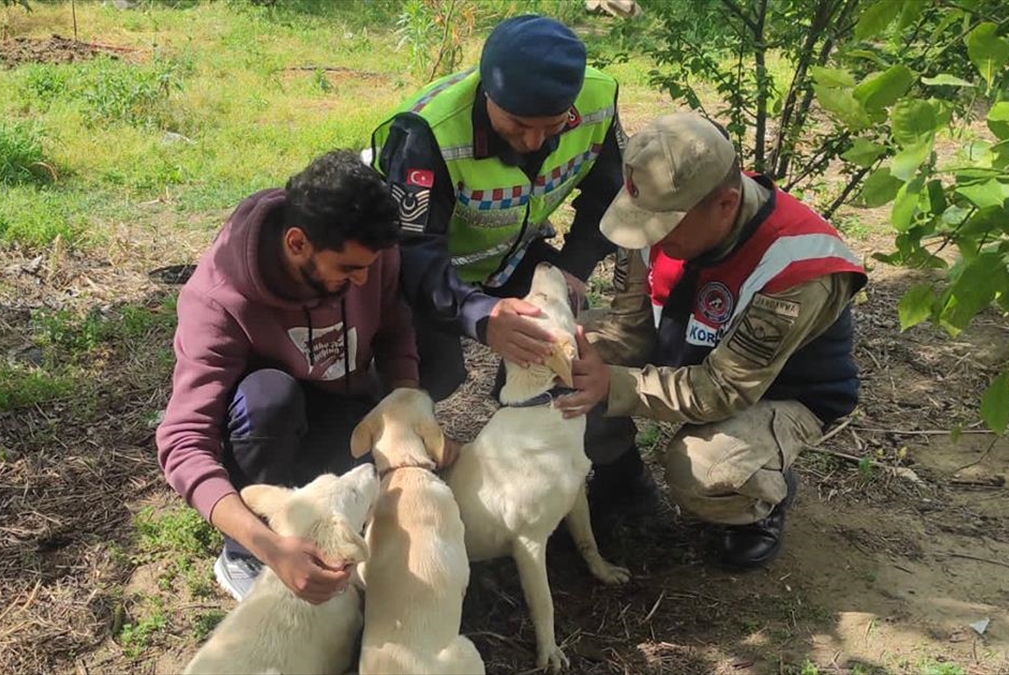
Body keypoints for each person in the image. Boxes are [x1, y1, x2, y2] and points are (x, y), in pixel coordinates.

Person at [557, 113, 868, 569]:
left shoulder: (798, 266)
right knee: (563, 364)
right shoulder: (661, 207)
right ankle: (620, 480)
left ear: (725, 203)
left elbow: (726, 389)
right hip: (687, 354)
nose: (647, 236)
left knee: (701, 470)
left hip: (779, 392)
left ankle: (758, 499)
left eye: (662, 225)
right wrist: (573, 358)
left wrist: (613, 385)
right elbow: (630, 322)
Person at [370, 15, 648, 516]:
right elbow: (411, 251)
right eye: (518, 124)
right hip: (431, 277)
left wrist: (575, 265)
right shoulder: (426, 133)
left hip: (517, 252)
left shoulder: (596, 99)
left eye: (552, 125)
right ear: (487, 96)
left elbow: (610, 192)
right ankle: (397, 497)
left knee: (570, 356)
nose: (534, 141)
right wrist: (480, 316)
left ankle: (619, 483)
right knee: (432, 375)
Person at [155, 150, 419, 602]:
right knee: (268, 398)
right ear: (297, 243)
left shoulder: (368, 253)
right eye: (348, 269)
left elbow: (396, 330)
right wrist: (270, 546)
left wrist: (407, 408)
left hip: (345, 405)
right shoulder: (218, 300)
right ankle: (242, 554)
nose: (362, 281)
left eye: (370, 267)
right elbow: (182, 442)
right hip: (269, 422)